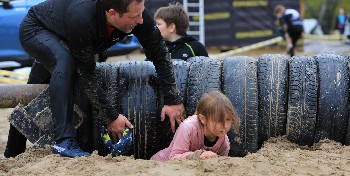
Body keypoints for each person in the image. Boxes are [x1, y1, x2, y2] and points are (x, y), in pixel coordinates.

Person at [4, 0, 186, 158]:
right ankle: (64, 141)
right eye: (134, 17)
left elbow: (160, 54)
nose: (140, 20)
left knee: (36, 86)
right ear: (113, 13)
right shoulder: (83, 17)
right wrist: (111, 117)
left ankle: (12, 152)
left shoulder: (136, 13)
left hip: (68, 32)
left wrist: (172, 99)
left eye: (141, 13)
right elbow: (87, 74)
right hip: (37, 28)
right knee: (65, 61)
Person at [151, 91, 240, 161]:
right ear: (202, 119)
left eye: (228, 119)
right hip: (160, 164)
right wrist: (198, 155)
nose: (225, 126)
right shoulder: (187, 127)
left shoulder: (223, 139)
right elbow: (173, 157)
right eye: (218, 121)